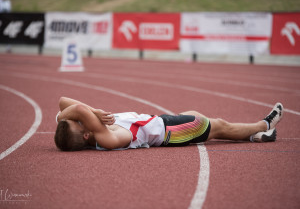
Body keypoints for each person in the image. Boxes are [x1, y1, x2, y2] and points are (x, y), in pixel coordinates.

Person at [54, 97, 283, 151]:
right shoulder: (107, 138)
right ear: (86, 135)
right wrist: (92, 111)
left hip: (163, 122)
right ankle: (263, 125)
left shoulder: (96, 129)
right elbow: (79, 109)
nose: (77, 119)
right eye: (78, 123)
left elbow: (63, 102)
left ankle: (253, 136)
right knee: (219, 126)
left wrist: (91, 113)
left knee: (209, 122)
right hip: (171, 131)